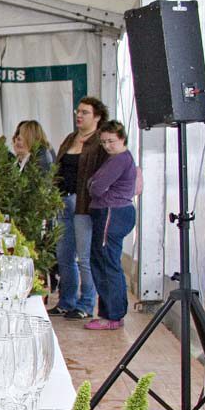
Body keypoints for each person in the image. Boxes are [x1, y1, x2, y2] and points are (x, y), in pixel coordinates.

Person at [49, 97, 107, 319]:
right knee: (64, 255)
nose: (79, 115)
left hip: (84, 204)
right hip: (62, 201)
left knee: (84, 257)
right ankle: (67, 300)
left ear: (97, 116)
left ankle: (86, 303)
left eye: (85, 112)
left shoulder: (99, 142)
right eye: (78, 112)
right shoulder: (70, 139)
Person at [84, 121, 138, 331]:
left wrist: (94, 185)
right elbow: (94, 184)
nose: (107, 146)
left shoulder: (119, 160)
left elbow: (96, 187)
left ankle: (112, 315)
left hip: (111, 213)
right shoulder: (118, 158)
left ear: (122, 139)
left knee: (107, 263)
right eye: (104, 141)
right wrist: (93, 185)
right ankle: (111, 313)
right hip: (112, 211)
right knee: (104, 261)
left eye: (111, 141)